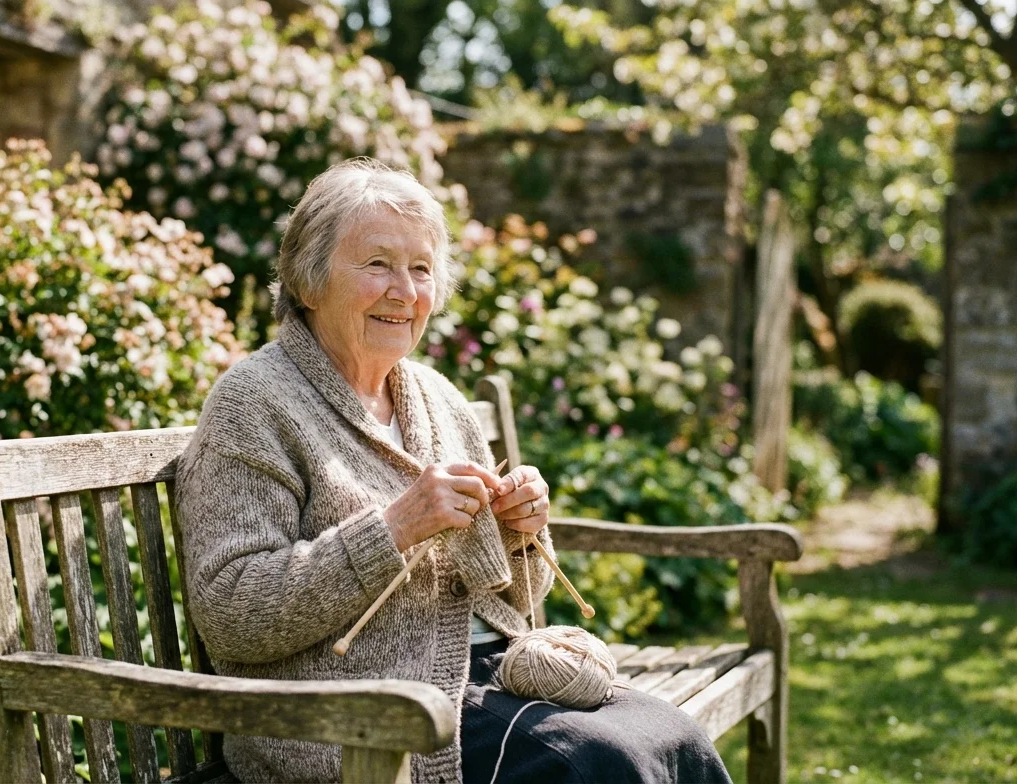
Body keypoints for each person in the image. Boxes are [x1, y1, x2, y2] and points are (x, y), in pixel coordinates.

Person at [174, 158, 731, 783]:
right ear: (307, 281)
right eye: (378, 264)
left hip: (486, 680)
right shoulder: (254, 401)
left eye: (420, 270)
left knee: (676, 738)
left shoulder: (437, 398)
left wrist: (519, 535)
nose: (405, 292)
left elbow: (513, 600)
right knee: (599, 763)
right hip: (360, 716)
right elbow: (230, 614)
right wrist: (394, 528)